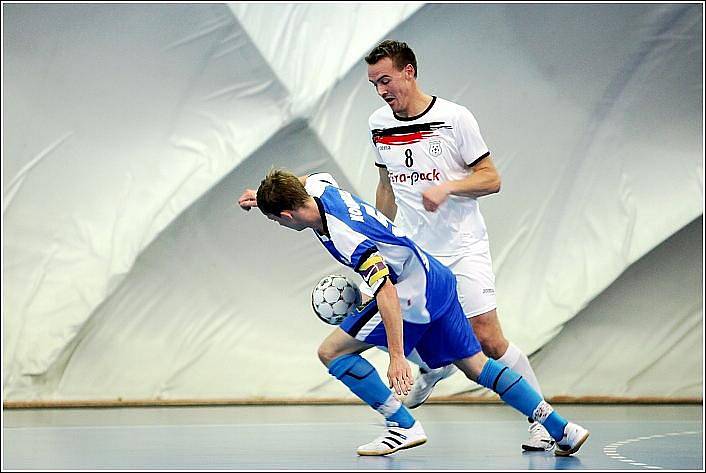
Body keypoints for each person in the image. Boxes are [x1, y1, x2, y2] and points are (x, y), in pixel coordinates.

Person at [238, 169, 589, 457]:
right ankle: (562, 429)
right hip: (436, 277)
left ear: (286, 215)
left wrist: (395, 358)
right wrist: (265, 195)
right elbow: (306, 181)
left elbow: (386, 292)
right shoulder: (318, 188)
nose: (278, 224)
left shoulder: (347, 236)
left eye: (275, 219)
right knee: (477, 367)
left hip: (410, 297)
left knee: (331, 353)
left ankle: (403, 425)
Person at [363, 39, 555, 451]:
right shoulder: (379, 123)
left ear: (409, 72)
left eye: (386, 80)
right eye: (375, 83)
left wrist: (449, 187)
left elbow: (491, 178)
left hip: (463, 246)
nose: (381, 90)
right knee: (398, 327)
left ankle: (541, 418)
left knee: (488, 340)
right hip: (417, 253)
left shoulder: (454, 118)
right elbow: (386, 186)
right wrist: (381, 238)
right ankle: (434, 367)